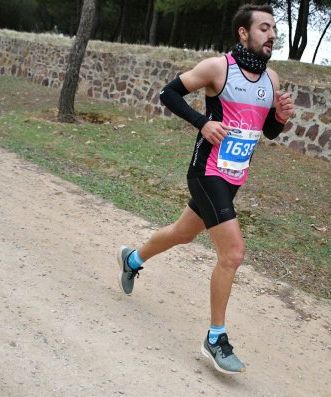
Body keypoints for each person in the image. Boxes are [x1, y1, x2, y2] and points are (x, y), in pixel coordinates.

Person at [117, 4, 294, 375]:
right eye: (264, 28)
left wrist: (279, 118)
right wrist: (202, 123)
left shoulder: (272, 80)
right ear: (244, 33)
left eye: (274, 29)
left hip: (234, 178)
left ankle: (131, 259)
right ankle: (215, 338)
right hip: (206, 171)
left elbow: (267, 131)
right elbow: (168, 93)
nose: (272, 35)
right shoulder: (219, 68)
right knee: (233, 253)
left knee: (181, 234)